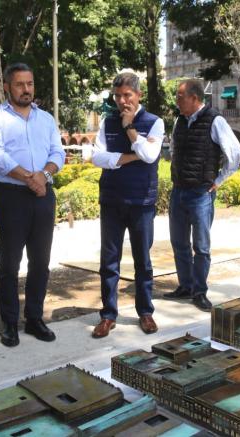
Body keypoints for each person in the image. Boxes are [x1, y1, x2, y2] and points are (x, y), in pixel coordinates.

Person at [0, 63, 65, 346]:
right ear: (7, 87)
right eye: (19, 84)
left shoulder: (46, 120)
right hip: (12, 196)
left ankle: (35, 318)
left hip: (43, 197)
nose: (26, 89)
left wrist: (45, 175)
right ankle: (9, 323)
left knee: (40, 262)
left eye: (29, 83)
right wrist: (30, 177)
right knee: (10, 262)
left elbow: (58, 153)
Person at [90, 72, 164, 338]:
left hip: (141, 202)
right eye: (118, 96)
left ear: (138, 95)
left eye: (127, 95)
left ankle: (145, 312)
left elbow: (150, 154)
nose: (122, 101)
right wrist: (131, 156)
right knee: (109, 262)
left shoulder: (154, 122)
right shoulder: (107, 123)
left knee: (142, 261)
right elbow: (97, 157)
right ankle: (108, 315)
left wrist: (131, 128)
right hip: (111, 200)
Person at [163, 79, 240, 311]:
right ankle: (185, 286)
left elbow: (236, 153)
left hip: (200, 192)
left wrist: (218, 181)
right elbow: (175, 151)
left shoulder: (215, 120)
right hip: (178, 190)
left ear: (194, 98)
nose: (177, 101)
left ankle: (199, 291)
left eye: (180, 96)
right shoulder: (179, 121)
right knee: (179, 242)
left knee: (201, 246)